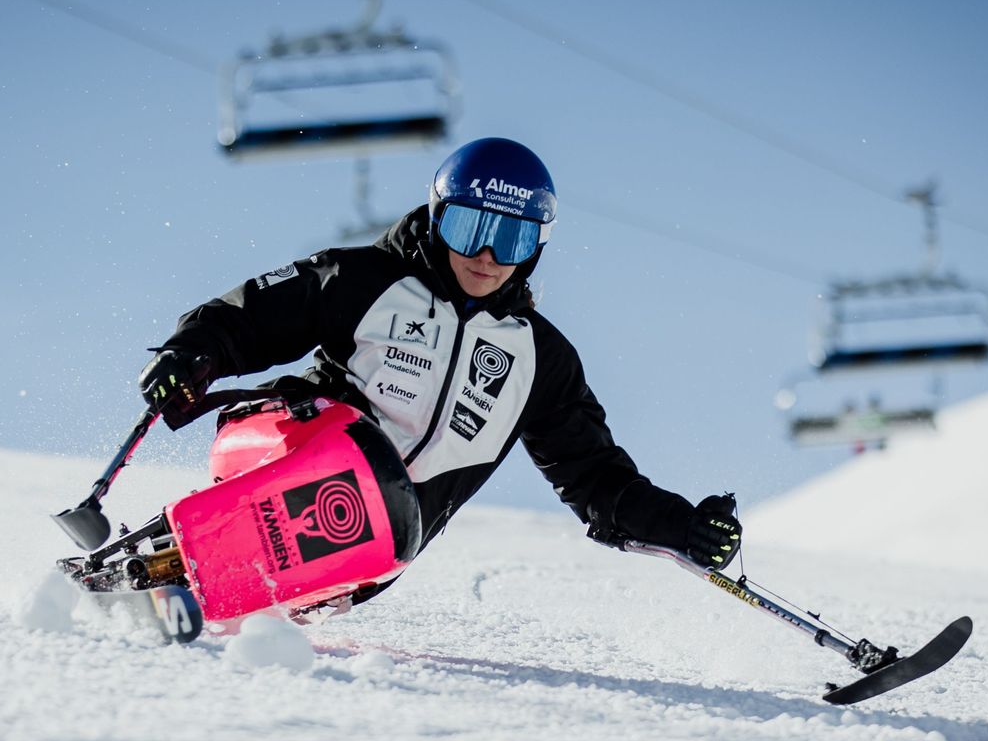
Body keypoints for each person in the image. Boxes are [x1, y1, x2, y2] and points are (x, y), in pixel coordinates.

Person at [138, 136, 740, 604]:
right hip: (281, 448)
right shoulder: (367, 280)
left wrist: (683, 528)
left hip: (372, 543)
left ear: (536, 248)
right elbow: (254, 314)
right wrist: (194, 352)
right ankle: (166, 561)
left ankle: (224, 586)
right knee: (355, 466)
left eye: (510, 239)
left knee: (384, 510)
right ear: (437, 216)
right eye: (469, 228)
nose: (486, 256)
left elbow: (596, 478)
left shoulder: (539, 360)